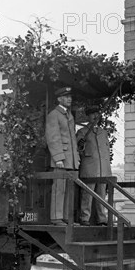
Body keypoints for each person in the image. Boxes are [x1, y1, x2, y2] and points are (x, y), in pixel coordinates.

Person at [45, 87, 80, 224]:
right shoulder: (54, 114)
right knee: (59, 188)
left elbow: (72, 140)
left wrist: (76, 158)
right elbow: (53, 138)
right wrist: (58, 157)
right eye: (66, 97)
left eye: (70, 96)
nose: (69, 98)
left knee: (68, 189)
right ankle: (56, 217)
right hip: (61, 159)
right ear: (59, 99)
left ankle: (66, 217)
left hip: (70, 159)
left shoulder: (68, 115)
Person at [76, 106, 112, 226]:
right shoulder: (82, 132)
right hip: (89, 168)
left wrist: (108, 171)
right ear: (88, 116)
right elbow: (78, 150)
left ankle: (102, 219)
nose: (95, 116)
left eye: (97, 114)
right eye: (92, 114)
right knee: (87, 194)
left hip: (103, 169)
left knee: (101, 195)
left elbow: (106, 152)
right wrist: (80, 144)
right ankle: (84, 218)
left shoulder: (103, 133)